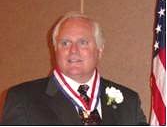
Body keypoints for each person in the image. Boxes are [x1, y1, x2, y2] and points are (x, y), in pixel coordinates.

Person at [0, 12, 148, 125]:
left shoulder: (129, 101)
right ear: (55, 49)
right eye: (65, 43)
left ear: (99, 50)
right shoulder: (22, 99)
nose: (73, 50)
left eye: (83, 42)